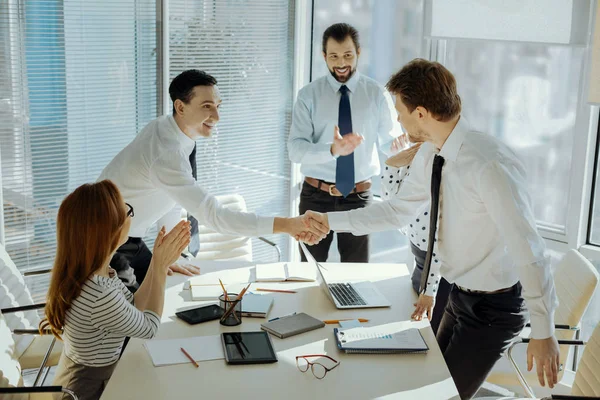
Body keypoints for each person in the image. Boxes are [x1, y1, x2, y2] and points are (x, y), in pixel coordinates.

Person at [303, 59, 560, 399]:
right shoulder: (431, 153)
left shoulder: (489, 164)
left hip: (494, 308)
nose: (397, 120)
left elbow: (529, 248)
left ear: (421, 113)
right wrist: (328, 220)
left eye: (400, 112)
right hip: (459, 294)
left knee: (444, 396)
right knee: (428, 387)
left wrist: (544, 330)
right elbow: (396, 211)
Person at [100, 69, 326, 291]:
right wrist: (287, 225)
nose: (217, 117)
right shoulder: (167, 153)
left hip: (131, 237)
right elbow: (216, 217)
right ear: (180, 107)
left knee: (165, 289)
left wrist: (169, 254)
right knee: (134, 315)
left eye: (218, 106)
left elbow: (170, 197)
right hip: (108, 241)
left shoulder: (169, 129)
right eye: (206, 106)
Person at [41, 180, 190, 400]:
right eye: (127, 210)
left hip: (81, 377)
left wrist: (158, 262)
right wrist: (159, 267)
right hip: (89, 391)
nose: (131, 216)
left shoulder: (97, 273)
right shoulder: (99, 294)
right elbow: (149, 329)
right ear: (110, 231)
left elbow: (133, 305)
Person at [287, 22, 404, 263]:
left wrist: (399, 145)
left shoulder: (376, 93)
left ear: (359, 53)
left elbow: (388, 142)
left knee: (356, 274)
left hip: (358, 198)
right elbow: (295, 150)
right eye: (334, 56)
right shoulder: (308, 95)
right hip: (315, 196)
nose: (341, 63)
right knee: (310, 269)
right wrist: (332, 150)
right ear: (324, 56)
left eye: (348, 55)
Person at [380, 143, 452, 334]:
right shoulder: (417, 156)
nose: (398, 120)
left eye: (402, 114)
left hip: (437, 272)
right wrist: (392, 164)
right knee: (416, 331)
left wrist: (429, 291)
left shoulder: (440, 161)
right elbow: (393, 206)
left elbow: (439, 240)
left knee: (430, 336)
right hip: (421, 264)